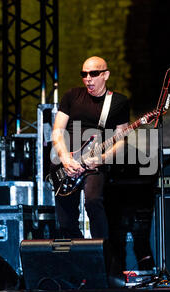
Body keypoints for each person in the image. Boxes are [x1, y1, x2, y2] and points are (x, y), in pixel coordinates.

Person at [51, 56, 130, 239]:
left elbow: (122, 139)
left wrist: (102, 159)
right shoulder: (71, 96)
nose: (88, 78)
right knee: (65, 218)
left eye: (93, 73)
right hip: (66, 164)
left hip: (95, 162)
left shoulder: (118, 102)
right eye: (84, 74)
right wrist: (65, 158)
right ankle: (80, 255)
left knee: (93, 202)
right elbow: (57, 130)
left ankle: (101, 252)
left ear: (106, 75)